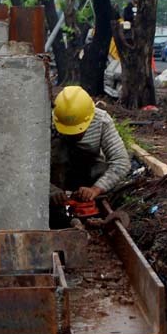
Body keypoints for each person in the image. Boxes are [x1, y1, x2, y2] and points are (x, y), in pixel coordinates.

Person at [50, 86, 131, 228]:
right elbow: (30, 168)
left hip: (89, 174)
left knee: (101, 166)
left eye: (78, 130)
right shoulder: (46, 123)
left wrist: (96, 189)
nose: (74, 135)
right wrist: (51, 190)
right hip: (57, 175)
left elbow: (121, 162)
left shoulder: (101, 121)